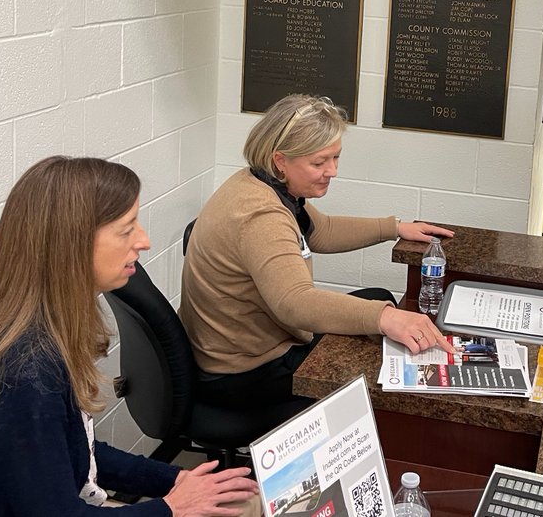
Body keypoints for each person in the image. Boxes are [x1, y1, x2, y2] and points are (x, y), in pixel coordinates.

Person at [0, 157, 260, 516]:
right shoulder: (27, 371)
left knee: (241, 504)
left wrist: (174, 481)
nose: (144, 241)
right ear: (71, 244)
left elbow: (76, 451)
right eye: (126, 229)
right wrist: (172, 508)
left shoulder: (42, 334)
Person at [181, 95, 454, 424]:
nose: (332, 171)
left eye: (336, 158)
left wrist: (394, 228)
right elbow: (295, 303)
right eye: (320, 162)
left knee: (379, 301)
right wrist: (384, 319)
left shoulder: (265, 184)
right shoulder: (260, 212)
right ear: (281, 160)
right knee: (373, 359)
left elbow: (321, 231)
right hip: (242, 374)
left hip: (246, 348)